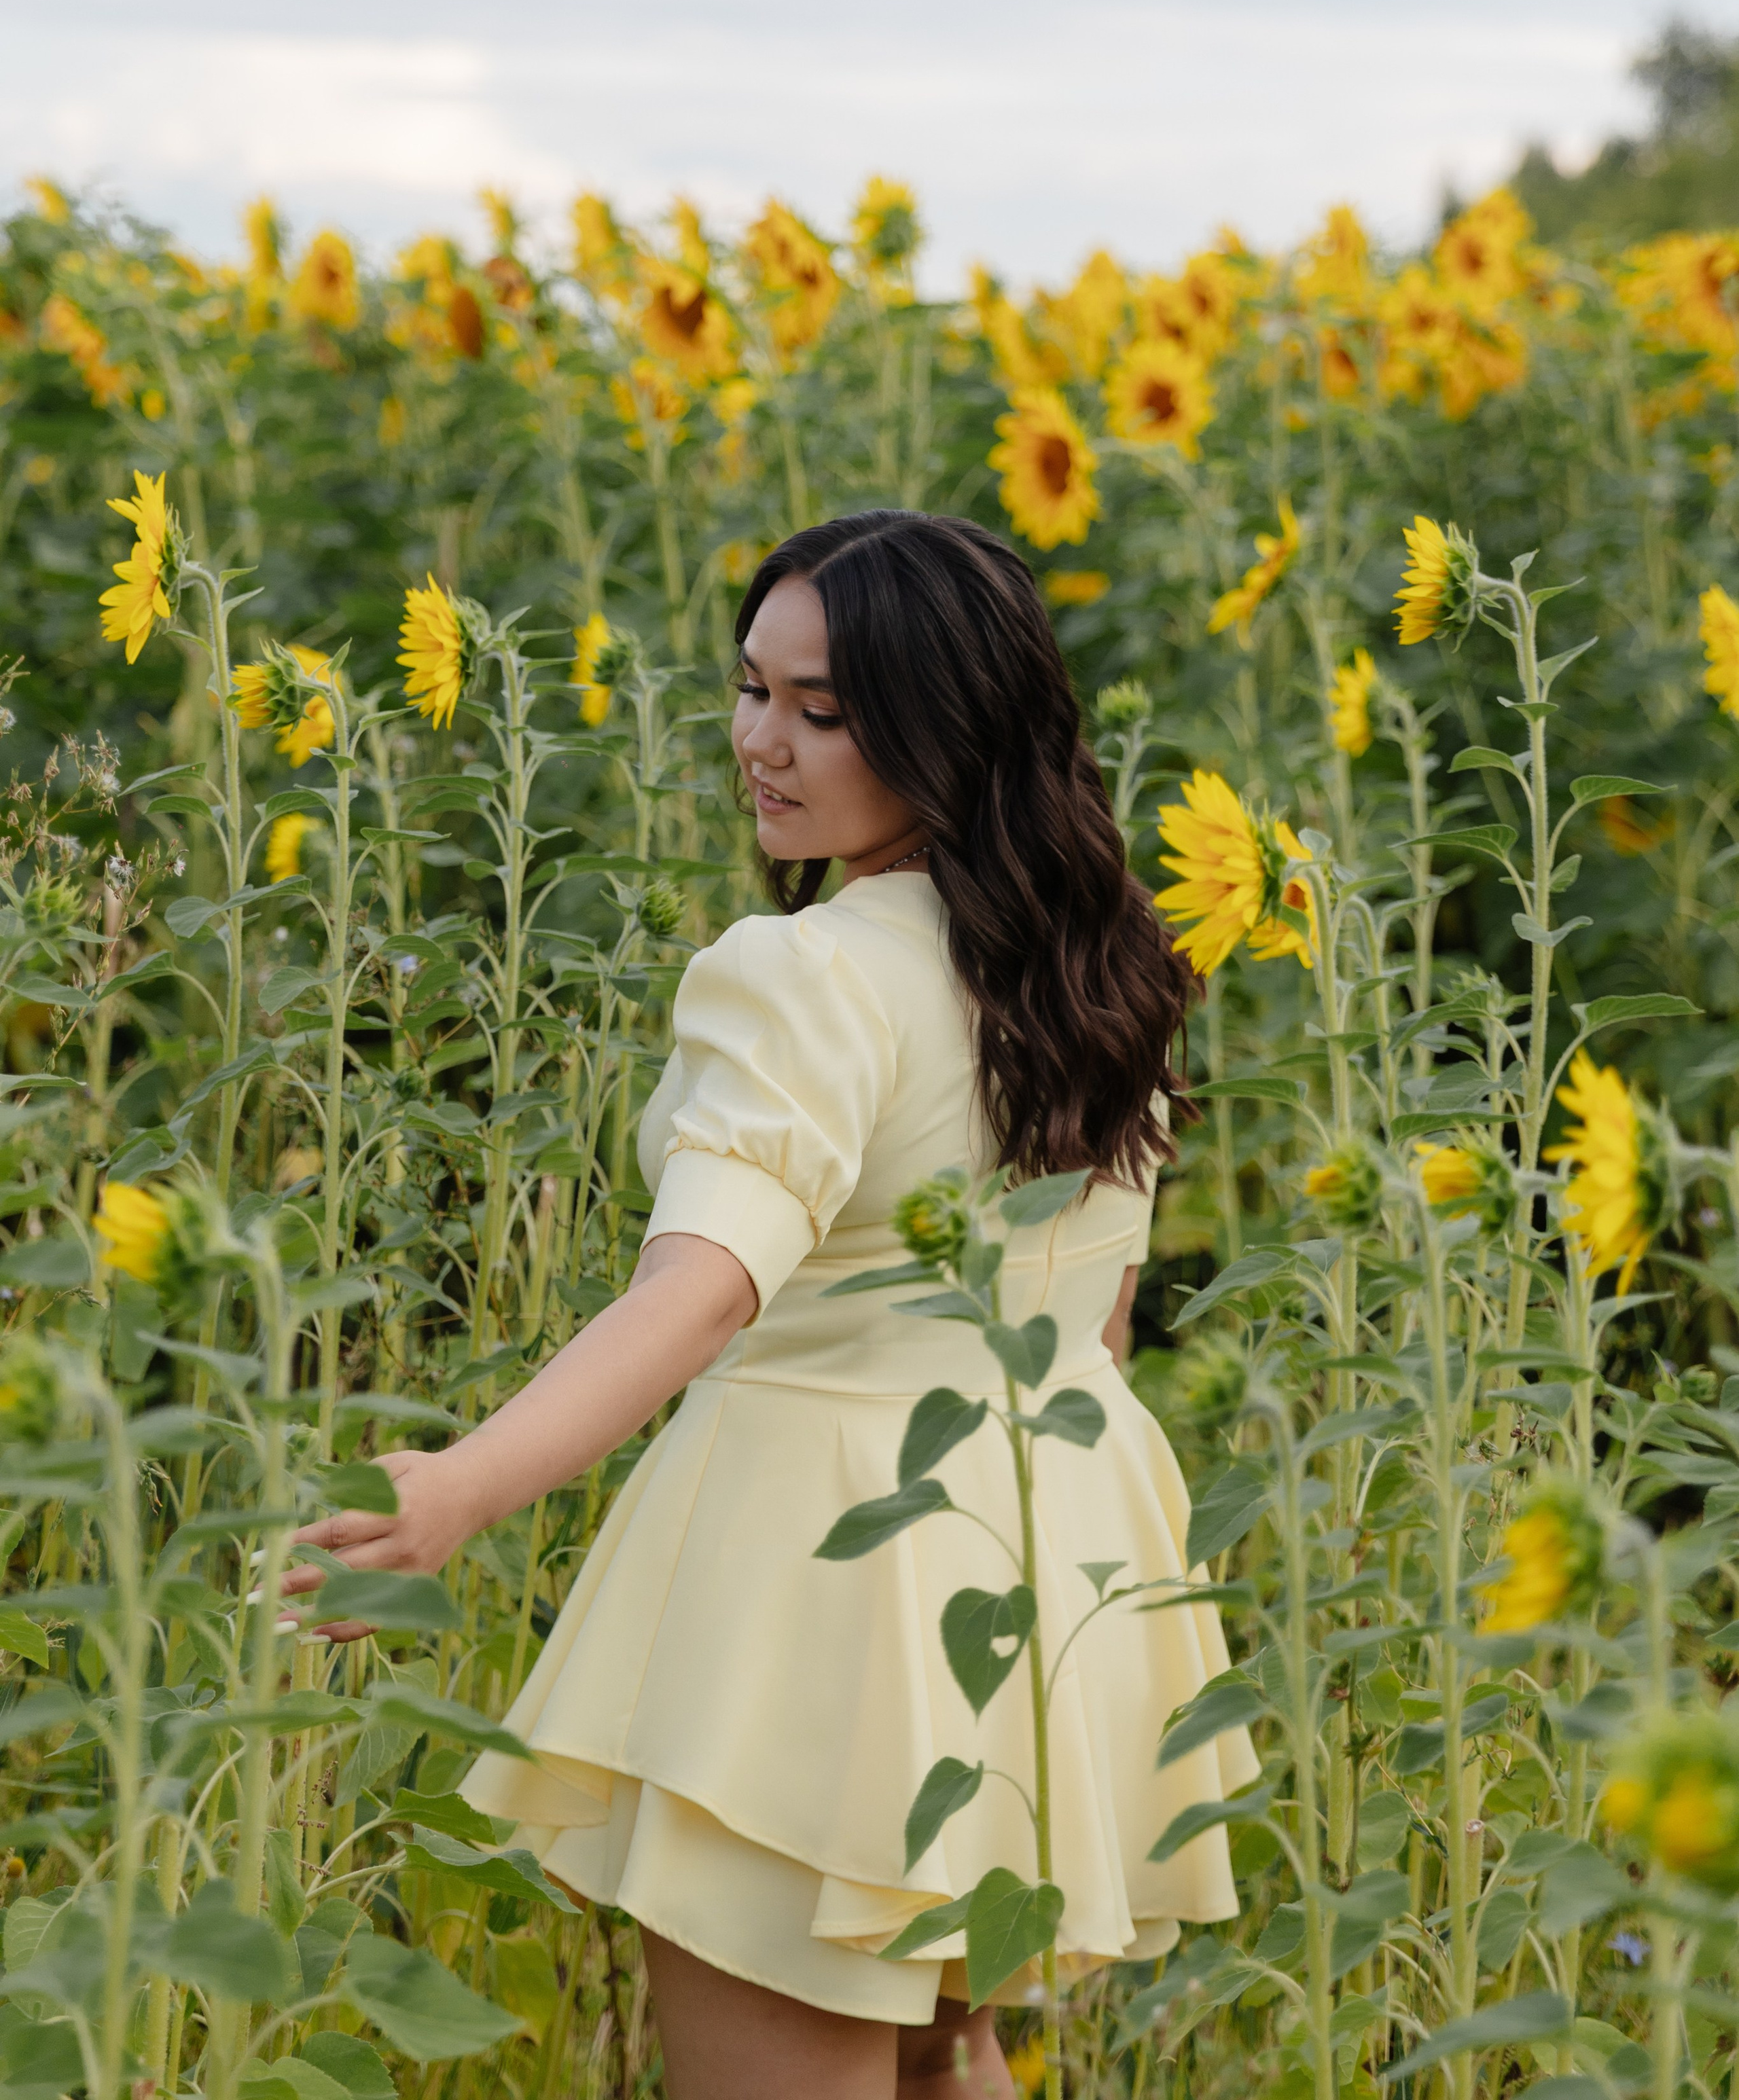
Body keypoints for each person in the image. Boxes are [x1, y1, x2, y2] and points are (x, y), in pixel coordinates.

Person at [285, 510, 1257, 2100]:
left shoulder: (803, 975)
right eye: (751, 690)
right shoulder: (1091, 969)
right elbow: (1095, 1326)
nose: (764, 743)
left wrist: (460, 1486)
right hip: (1048, 1559)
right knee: (948, 2065)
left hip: (825, 1584)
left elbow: (702, 1288)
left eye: (824, 710)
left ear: (950, 727)